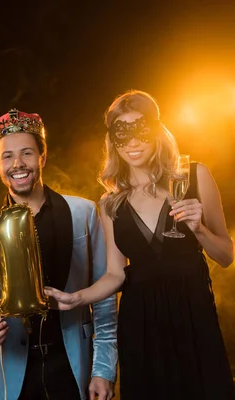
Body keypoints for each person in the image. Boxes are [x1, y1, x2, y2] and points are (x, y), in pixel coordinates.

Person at [45, 90, 235, 399]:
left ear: (157, 131)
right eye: (123, 133)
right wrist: (76, 298)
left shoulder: (195, 176)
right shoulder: (110, 204)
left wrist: (198, 229)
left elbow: (226, 255)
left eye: (140, 130)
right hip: (141, 321)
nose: (133, 142)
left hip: (193, 313)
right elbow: (115, 274)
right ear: (112, 140)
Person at [0, 109, 118, 400]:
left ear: (43, 157)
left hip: (73, 367)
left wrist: (103, 369)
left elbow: (105, 303)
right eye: (7, 156)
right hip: (9, 373)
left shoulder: (84, 213)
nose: (18, 164)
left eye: (27, 153)